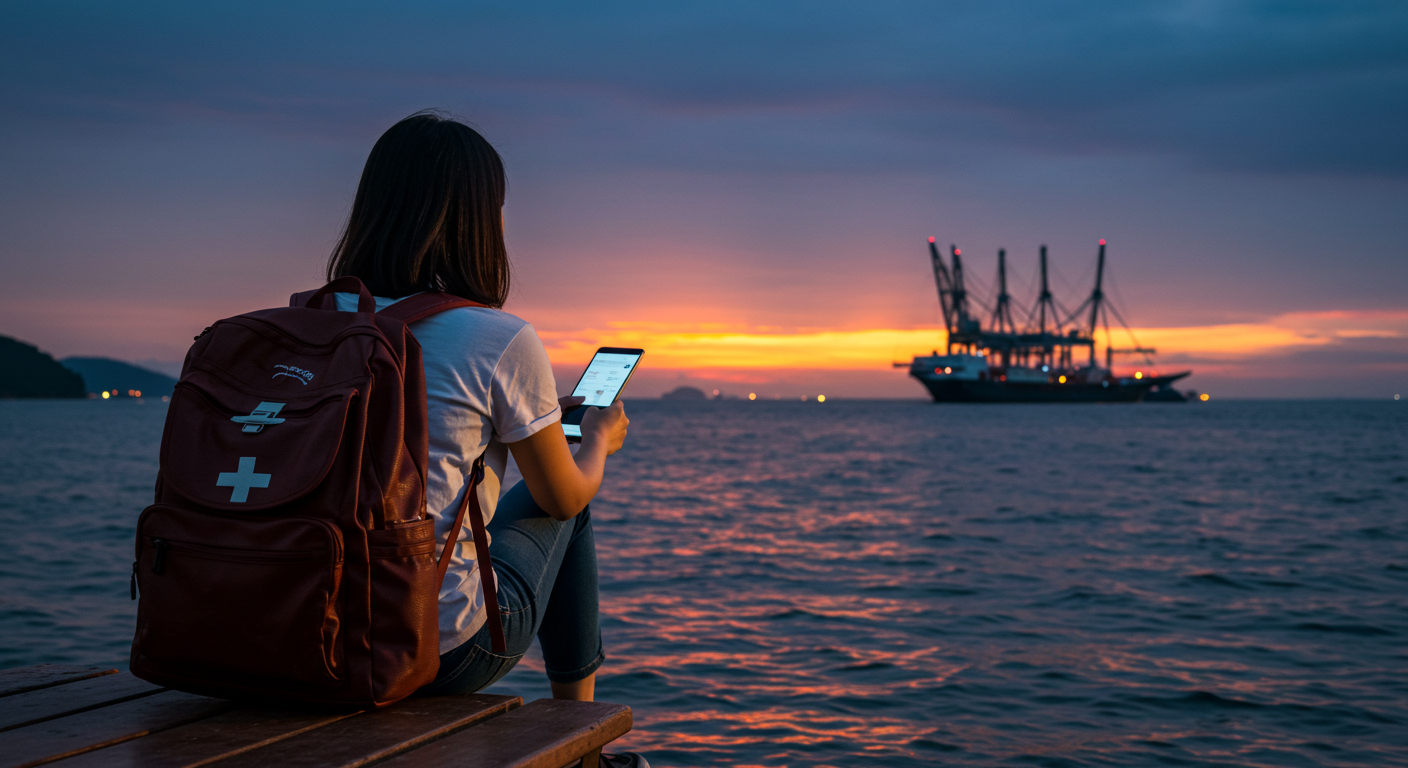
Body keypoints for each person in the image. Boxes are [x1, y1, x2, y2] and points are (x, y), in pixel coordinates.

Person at [326, 113, 642, 765]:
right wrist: (596, 442)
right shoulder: (496, 338)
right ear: (478, 221)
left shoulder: (314, 323)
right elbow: (559, 496)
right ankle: (581, 746)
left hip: (302, 627)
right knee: (571, 512)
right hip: (434, 651)